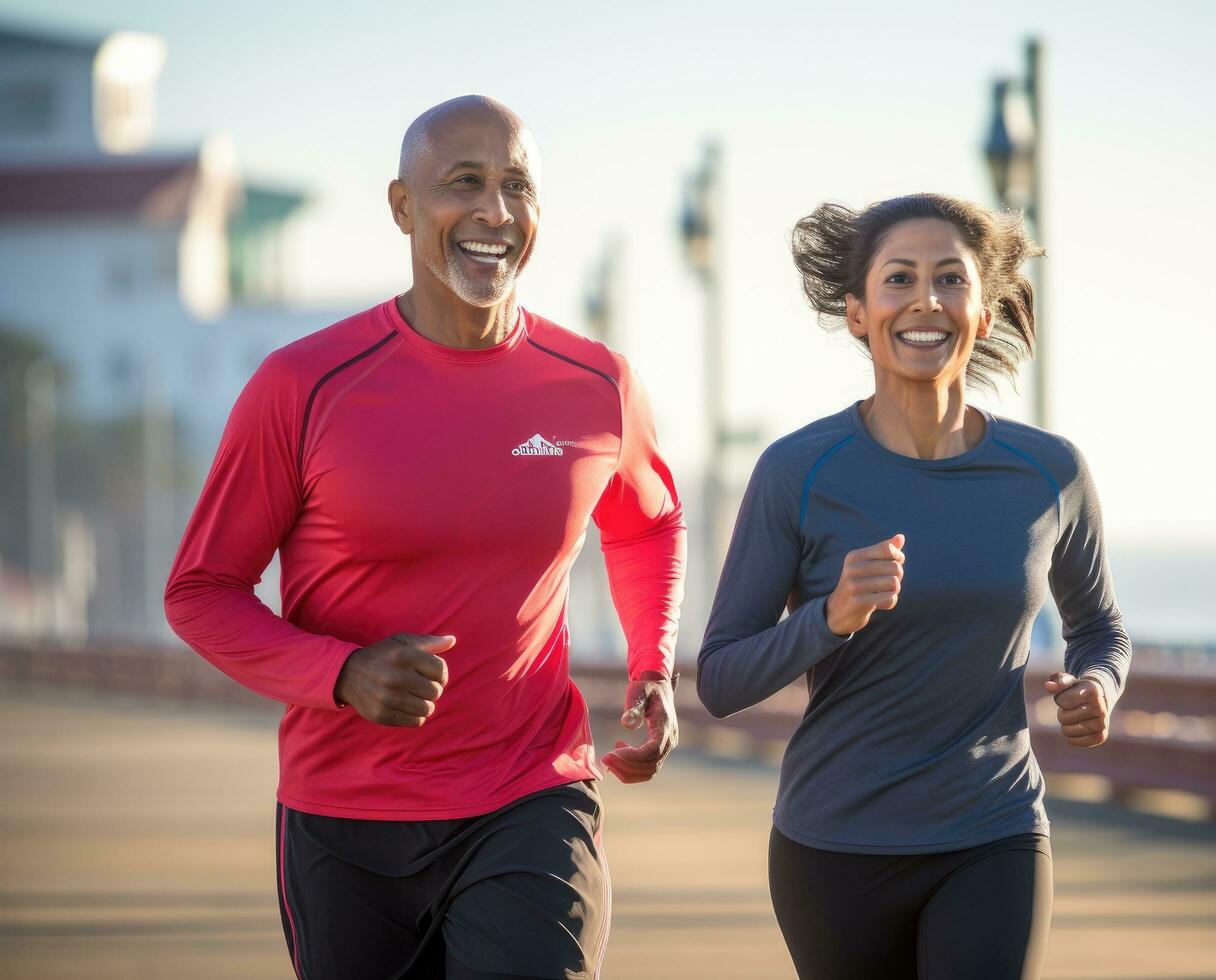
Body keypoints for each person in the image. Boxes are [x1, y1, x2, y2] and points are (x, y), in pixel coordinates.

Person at [164, 96, 686, 980]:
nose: (495, 212)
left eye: (517, 186)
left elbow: (648, 524)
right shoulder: (303, 385)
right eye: (465, 184)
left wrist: (652, 666)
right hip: (346, 817)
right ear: (403, 207)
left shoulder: (596, 383)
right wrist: (339, 674)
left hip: (531, 792)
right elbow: (201, 592)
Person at [696, 193, 1130, 980]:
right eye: (899, 280)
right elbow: (721, 679)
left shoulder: (1049, 473)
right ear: (859, 313)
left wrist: (1098, 684)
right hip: (834, 849)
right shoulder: (799, 472)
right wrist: (828, 618)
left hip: (994, 831)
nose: (925, 302)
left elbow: (1101, 627)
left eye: (950, 281)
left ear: (985, 312)